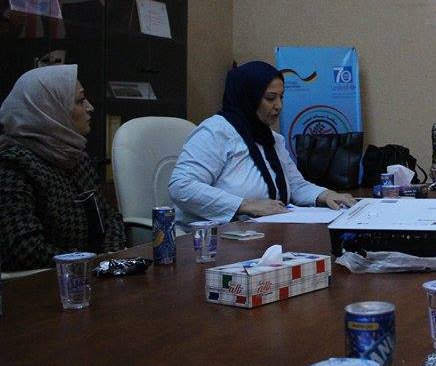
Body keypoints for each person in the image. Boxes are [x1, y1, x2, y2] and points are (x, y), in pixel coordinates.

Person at [169, 61, 355, 227]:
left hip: (263, 232)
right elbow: (181, 187)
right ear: (248, 97)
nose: (279, 105)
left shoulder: (272, 139)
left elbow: (295, 186)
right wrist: (246, 205)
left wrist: (326, 195)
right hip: (213, 239)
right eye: (270, 98)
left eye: (281, 97)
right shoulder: (216, 131)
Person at [0, 65, 125, 271]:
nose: (90, 107)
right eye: (80, 101)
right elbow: (23, 250)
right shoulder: (13, 166)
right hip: (45, 281)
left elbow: (109, 217)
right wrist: (88, 262)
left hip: (92, 273)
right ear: (49, 110)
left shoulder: (75, 157)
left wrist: (110, 255)